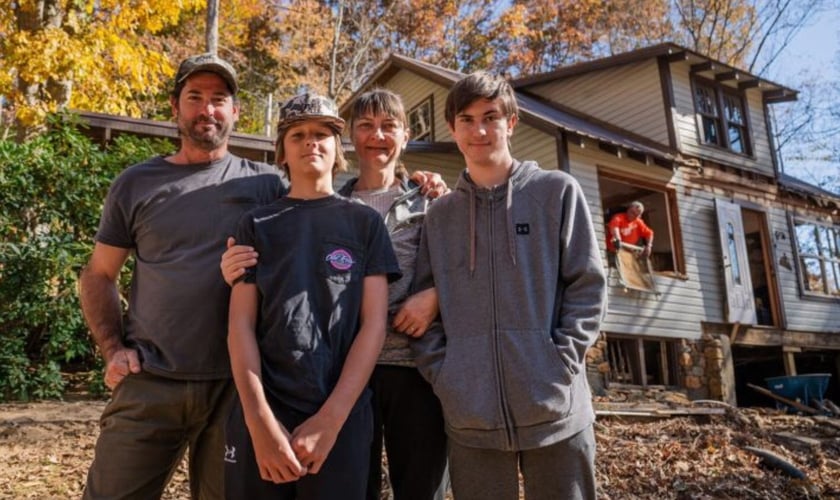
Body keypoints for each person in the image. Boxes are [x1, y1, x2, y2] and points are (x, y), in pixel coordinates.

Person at [221, 89, 449, 500]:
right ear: (281, 151)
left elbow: (375, 320)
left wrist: (331, 418)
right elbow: (240, 323)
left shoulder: (382, 217)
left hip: (383, 383)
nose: (311, 142)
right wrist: (260, 422)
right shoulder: (258, 222)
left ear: (336, 148)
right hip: (271, 401)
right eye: (298, 135)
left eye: (322, 134)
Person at [79, 53, 287, 499]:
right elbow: (98, 275)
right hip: (151, 382)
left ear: (235, 111)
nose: (207, 109)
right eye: (195, 97)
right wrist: (113, 350)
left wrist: (413, 187)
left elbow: (330, 208)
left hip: (237, 389)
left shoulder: (268, 185)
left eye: (219, 99)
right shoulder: (137, 184)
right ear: (175, 106)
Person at [409, 71, 607, 499]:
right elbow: (423, 305)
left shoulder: (556, 193)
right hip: (471, 420)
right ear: (452, 129)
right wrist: (448, 377)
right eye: (466, 119)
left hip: (556, 411)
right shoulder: (440, 217)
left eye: (490, 117)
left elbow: (587, 286)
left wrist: (560, 363)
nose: (479, 130)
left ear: (511, 122)